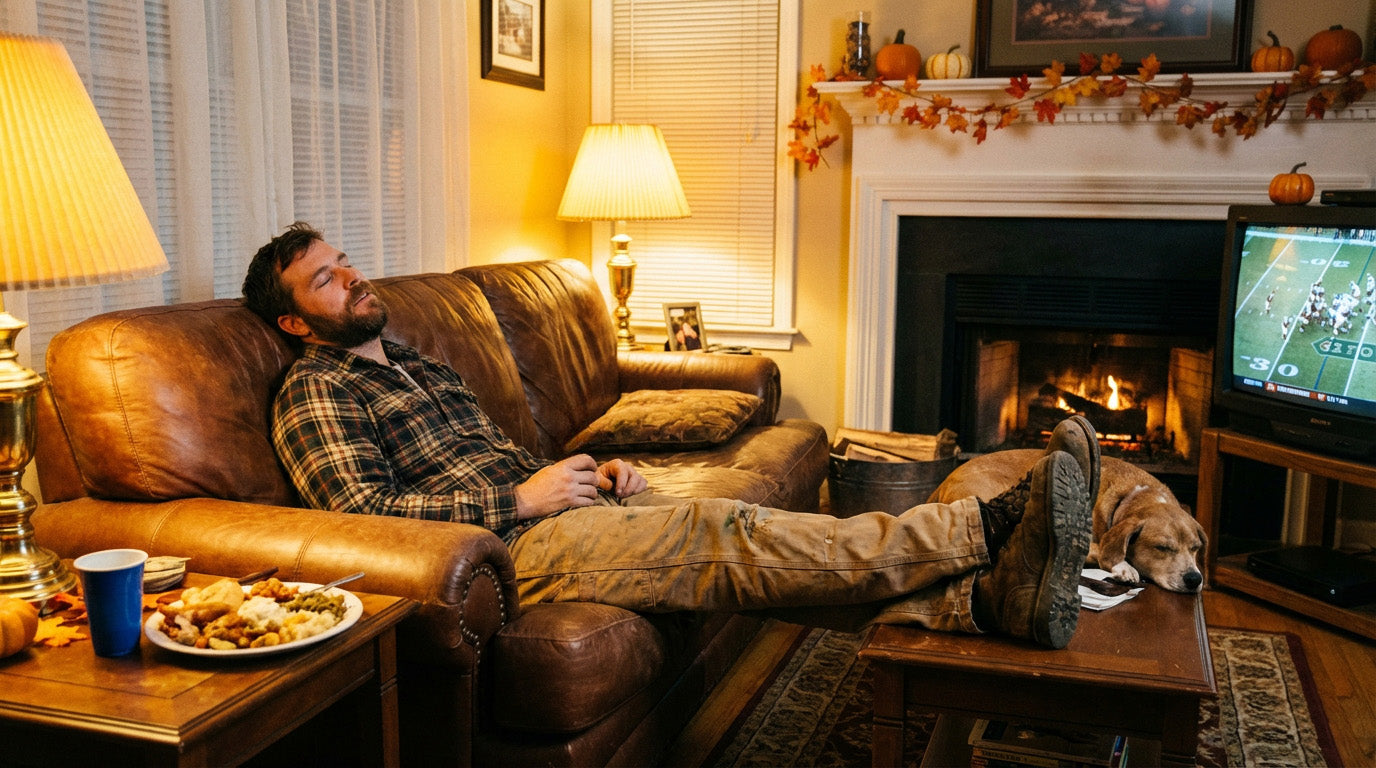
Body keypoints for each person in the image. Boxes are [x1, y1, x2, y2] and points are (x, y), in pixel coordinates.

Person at [242, 222, 1098, 649]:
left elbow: (503, 459)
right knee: (712, 529)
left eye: (345, 260)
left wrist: (583, 471)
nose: (351, 276)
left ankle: (982, 604)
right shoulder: (317, 388)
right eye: (325, 279)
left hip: (554, 511)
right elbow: (363, 513)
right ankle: (981, 530)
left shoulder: (419, 361)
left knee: (749, 533)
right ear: (295, 321)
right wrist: (523, 497)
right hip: (497, 553)